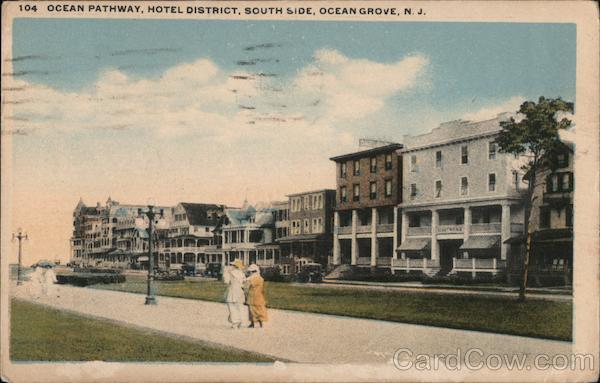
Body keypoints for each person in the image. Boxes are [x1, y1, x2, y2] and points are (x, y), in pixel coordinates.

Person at [222, 259, 246, 329]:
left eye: (232, 265)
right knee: (239, 306)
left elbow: (226, 281)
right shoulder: (242, 273)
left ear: (234, 266)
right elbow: (244, 283)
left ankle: (235, 322)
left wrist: (225, 273)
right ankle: (240, 320)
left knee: (232, 307)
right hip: (240, 291)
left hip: (232, 290)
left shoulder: (230, 273)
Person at [245, 264, 268, 328]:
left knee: (251, 310)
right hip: (259, 296)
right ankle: (261, 323)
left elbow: (246, 288)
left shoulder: (249, 279)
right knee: (259, 309)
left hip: (252, 296)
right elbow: (262, 289)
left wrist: (245, 296)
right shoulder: (261, 279)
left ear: (251, 272)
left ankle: (252, 323)